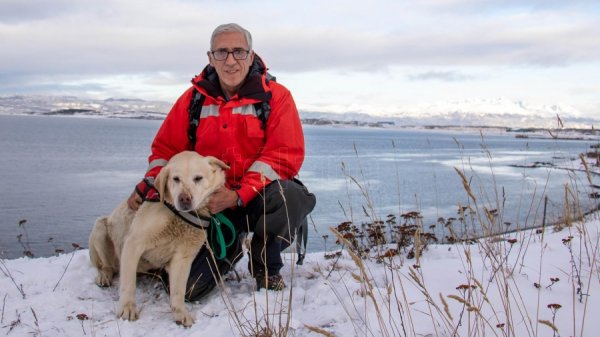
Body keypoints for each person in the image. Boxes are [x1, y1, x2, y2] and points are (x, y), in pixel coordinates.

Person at [127, 23, 316, 300]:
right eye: (222, 52)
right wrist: (152, 182)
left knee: (290, 196)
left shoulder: (277, 98)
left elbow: (283, 155)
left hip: (256, 198)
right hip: (208, 208)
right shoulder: (193, 100)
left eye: (238, 52)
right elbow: (165, 151)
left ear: (251, 56)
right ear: (210, 57)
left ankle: (265, 269)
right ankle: (226, 248)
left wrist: (238, 195)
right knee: (189, 289)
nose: (230, 61)